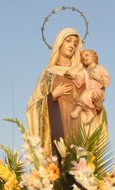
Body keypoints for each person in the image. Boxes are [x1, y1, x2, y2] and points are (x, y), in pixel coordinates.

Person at [27, 27, 108, 157]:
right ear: (59, 43)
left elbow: (93, 100)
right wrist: (53, 95)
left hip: (80, 127)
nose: (72, 45)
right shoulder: (48, 74)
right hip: (57, 127)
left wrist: (99, 107)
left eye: (75, 44)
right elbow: (32, 106)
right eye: (68, 41)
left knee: (79, 165)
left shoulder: (82, 72)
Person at [69, 49, 110, 124]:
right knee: (85, 95)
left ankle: (81, 110)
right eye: (82, 57)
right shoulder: (84, 71)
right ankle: (89, 112)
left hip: (98, 92)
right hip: (89, 92)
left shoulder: (100, 68)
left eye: (86, 55)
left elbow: (106, 81)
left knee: (84, 95)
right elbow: (78, 79)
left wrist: (97, 77)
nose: (84, 58)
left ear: (94, 56)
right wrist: (72, 77)